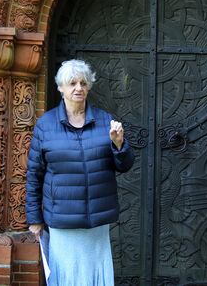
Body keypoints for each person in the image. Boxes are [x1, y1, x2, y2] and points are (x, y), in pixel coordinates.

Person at [25, 59, 135, 285]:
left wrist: (119, 146)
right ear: (61, 88)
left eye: (83, 83)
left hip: (97, 221)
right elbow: (34, 176)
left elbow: (124, 166)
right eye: (72, 83)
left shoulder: (105, 120)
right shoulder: (45, 125)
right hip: (62, 222)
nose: (78, 88)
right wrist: (34, 219)